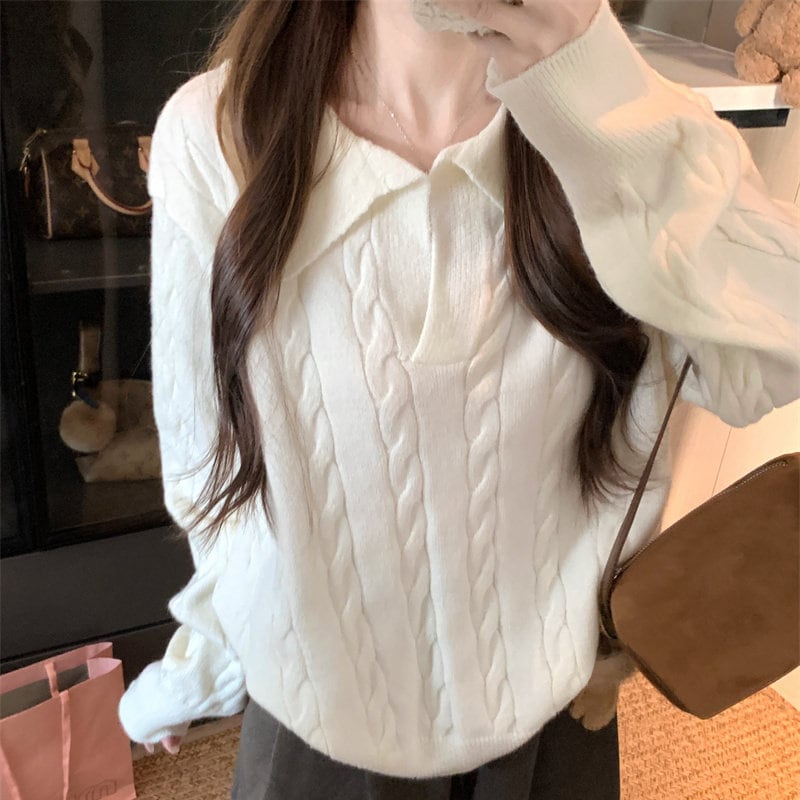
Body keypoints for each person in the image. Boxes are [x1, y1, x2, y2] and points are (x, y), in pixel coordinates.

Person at [117, 0, 800, 797]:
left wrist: (599, 95)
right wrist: (207, 651)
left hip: (554, 702)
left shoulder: (633, 122)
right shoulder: (218, 131)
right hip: (320, 705)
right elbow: (207, 461)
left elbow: (777, 352)